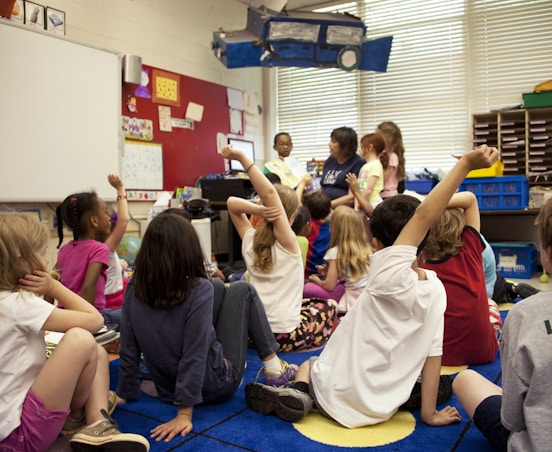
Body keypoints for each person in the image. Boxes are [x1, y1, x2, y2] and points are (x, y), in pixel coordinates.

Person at [244, 145, 498, 428]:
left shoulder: (386, 273)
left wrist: (464, 164)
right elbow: (433, 354)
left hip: (334, 395)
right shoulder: (436, 290)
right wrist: (430, 414)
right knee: (436, 382)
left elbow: (424, 215)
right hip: (382, 405)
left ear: (377, 244)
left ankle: (299, 391)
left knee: (310, 364)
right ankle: (411, 397)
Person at [116, 212, 297, 443]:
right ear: (189, 250)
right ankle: (274, 370)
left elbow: (128, 347)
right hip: (216, 386)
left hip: (167, 389)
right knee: (243, 290)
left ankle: (272, 369)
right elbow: (194, 352)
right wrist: (184, 413)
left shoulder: (134, 287)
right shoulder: (197, 288)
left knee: (217, 287)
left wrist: (125, 391)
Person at [0, 212, 149, 451]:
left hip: (11, 432)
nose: (46, 262)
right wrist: (54, 286)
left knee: (98, 352)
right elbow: (94, 319)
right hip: (19, 437)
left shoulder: (6, 302)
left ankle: (96, 423)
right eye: (40, 254)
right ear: (20, 258)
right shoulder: (18, 304)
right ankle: (82, 423)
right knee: (80, 339)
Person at [452, 197, 552, 452]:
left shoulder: (525, 315)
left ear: (548, 254)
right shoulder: (475, 248)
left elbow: (511, 419)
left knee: (465, 380)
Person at [222, 145, 338, 352]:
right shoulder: (289, 243)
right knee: (329, 307)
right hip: (283, 337)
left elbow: (231, 203)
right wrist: (242, 157)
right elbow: (268, 192)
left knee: (308, 303)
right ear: (291, 218)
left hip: (252, 334)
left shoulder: (249, 238)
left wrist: (257, 209)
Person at [420, 191, 501, 366]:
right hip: (483, 352)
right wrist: (431, 201)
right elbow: (470, 199)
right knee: (491, 304)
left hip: (440, 356)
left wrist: (424, 208)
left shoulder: (420, 271)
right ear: (460, 226)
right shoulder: (472, 250)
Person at [55, 175, 121, 325]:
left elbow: (53, 280)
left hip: (65, 314)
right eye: (105, 212)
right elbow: (88, 286)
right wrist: (86, 321)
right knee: (128, 314)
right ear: (94, 221)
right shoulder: (99, 249)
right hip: (89, 315)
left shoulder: (65, 249)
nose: (109, 217)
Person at [303, 206, 372, 314]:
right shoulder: (367, 249)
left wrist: (316, 279)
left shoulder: (335, 252)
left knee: (307, 288)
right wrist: (329, 272)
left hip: (351, 298)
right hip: (367, 295)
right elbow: (352, 275)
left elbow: (329, 286)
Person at [103, 174, 130, 319]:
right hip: (113, 309)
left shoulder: (72, 248)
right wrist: (120, 189)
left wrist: (118, 264)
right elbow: (124, 220)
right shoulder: (105, 249)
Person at [320, 126, 365, 208]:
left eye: (333, 142)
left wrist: (325, 207)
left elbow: (351, 198)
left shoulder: (358, 163)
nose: (329, 144)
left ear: (345, 145)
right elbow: (323, 187)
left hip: (343, 210)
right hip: (325, 208)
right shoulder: (330, 161)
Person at [350, 133, 385, 213]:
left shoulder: (376, 165)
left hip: (372, 202)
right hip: (363, 201)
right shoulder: (365, 166)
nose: (359, 150)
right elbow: (360, 188)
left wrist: (359, 205)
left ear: (370, 147)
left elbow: (369, 190)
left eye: (362, 147)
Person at [303, 190, 333, 279]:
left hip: (303, 271)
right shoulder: (331, 229)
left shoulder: (305, 224)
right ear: (329, 210)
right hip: (319, 273)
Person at [377, 121, 406, 199]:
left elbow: (383, 179)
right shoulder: (382, 155)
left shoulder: (392, 156)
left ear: (387, 138)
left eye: (378, 136)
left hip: (387, 195)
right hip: (381, 194)